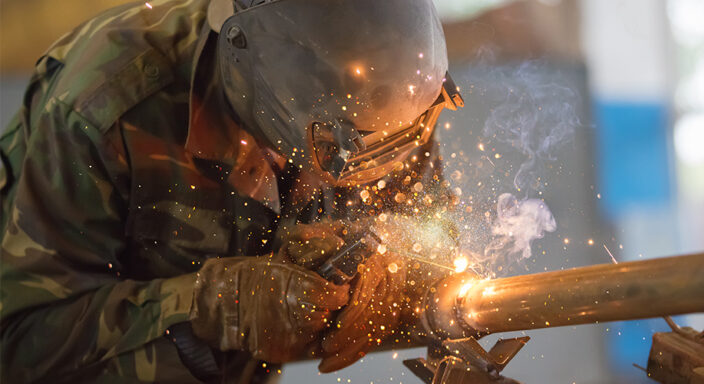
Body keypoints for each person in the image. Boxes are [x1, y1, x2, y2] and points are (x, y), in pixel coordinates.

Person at [0, 0, 462, 382]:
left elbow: (435, 239)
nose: (357, 169)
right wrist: (212, 306)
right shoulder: (105, 109)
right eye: (330, 145)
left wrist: (394, 271)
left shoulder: (386, 92)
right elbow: (19, 342)